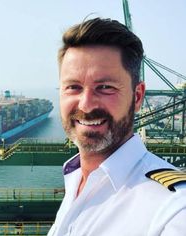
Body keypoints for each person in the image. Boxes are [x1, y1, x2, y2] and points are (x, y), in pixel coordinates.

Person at [47, 18, 186, 236]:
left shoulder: (174, 209)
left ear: (137, 96)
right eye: (73, 87)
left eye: (105, 87)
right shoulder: (75, 181)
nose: (86, 104)